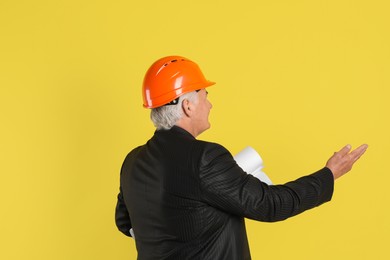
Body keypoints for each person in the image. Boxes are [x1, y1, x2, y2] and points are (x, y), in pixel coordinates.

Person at [115, 56, 368, 260]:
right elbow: (270, 204)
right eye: (205, 96)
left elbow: (124, 222)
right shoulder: (204, 158)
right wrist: (329, 175)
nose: (210, 105)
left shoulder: (133, 162)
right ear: (187, 106)